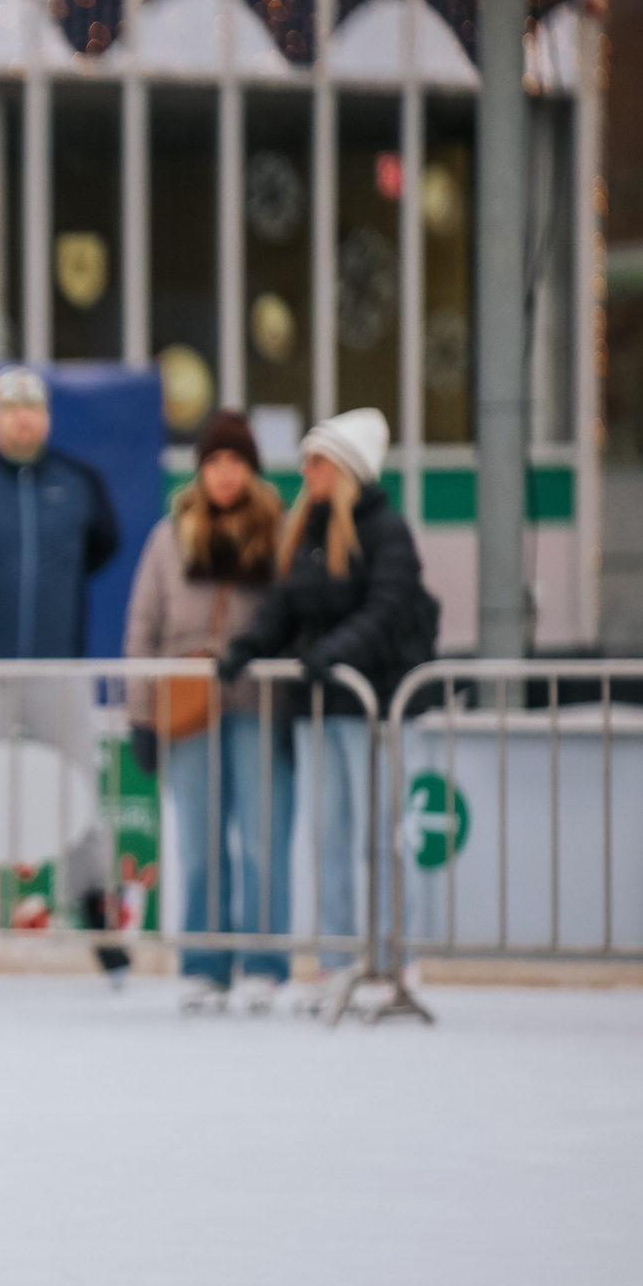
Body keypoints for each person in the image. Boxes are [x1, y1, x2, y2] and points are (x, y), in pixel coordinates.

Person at [218, 407, 433, 1002]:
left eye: (317, 461)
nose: (305, 471)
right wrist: (247, 646)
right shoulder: (307, 531)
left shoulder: (387, 532)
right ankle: (338, 958)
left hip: (376, 709)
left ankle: (394, 957)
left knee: (382, 837)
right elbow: (283, 607)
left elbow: (387, 609)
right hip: (319, 711)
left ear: (345, 468)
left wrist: (333, 652)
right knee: (330, 838)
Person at [0, 364, 127, 981]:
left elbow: (103, 546)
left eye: (32, 407)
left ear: (47, 416)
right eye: (10, 408)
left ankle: (99, 915)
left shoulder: (79, 482)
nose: (22, 418)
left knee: (79, 791)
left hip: (59, 666)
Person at [126, 410, 294, 1014]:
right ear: (201, 469)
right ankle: (204, 963)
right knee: (199, 843)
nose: (226, 474)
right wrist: (140, 716)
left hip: (259, 705)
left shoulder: (278, 532)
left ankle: (266, 963)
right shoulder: (169, 537)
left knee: (262, 838)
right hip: (187, 709)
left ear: (252, 470)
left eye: (237, 462)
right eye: (216, 462)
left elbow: (296, 615)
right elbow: (142, 629)